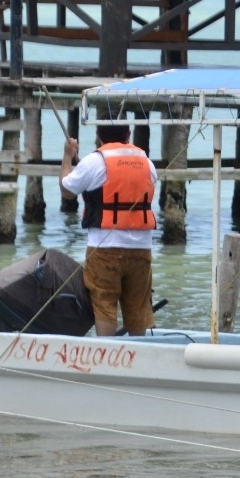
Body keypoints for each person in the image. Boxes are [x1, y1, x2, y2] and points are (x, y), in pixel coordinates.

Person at [60, 122, 159, 336]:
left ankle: (106, 354)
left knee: (103, 302)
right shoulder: (147, 162)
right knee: (138, 307)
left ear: (98, 135)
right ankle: (138, 356)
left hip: (104, 248)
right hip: (142, 249)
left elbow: (67, 190)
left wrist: (68, 156)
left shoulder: (94, 161)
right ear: (128, 134)